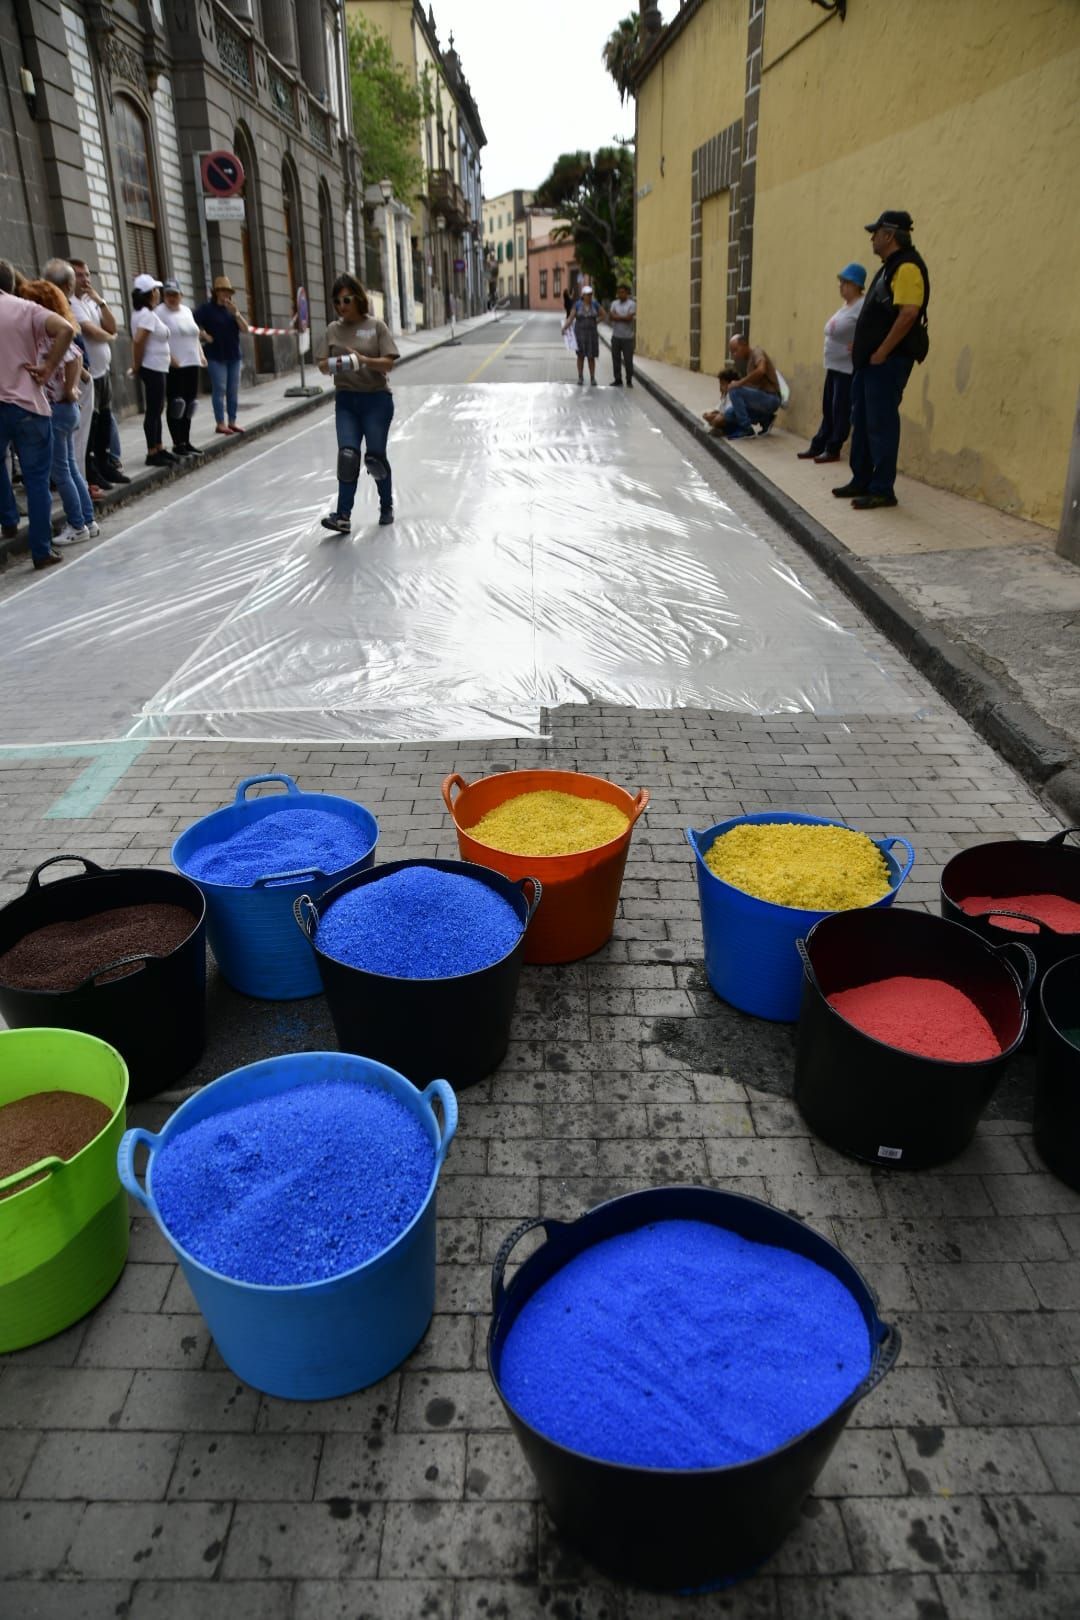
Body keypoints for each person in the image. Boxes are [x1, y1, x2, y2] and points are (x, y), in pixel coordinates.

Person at [833, 209, 930, 510]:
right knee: (861, 421)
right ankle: (861, 479)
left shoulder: (908, 267)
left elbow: (909, 313)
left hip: (887, 363)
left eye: (876, 232)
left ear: (889, 235)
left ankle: (882, 488)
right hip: (870, 363)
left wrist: (882, 352)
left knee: (881, 424)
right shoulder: (890, 267)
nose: (872, 237)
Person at [0, 261, 75, 569]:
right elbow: (66, 329)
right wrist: (47, 368)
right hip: (28, 404)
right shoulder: (25, 308)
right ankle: (41, 550)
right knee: (36, 481)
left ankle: (7, 518)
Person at [316, 272, 399, 534]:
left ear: (358, 299)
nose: (342, 306)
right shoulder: (332, 329)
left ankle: (386, 505)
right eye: (337, 302)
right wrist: (335, 364)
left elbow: (389, 362)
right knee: (348, 456)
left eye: (347, 300)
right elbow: (320, 364)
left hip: (376, 399)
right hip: (347, 401)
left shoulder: (376, 327)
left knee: (374, 458)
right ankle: (343, 516)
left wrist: (363, 360)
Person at [21, 277, 97, 547]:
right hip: (65, 408)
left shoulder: (47, 337)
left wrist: (68, 388)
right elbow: (76, 356)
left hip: (57, 408)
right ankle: (87, 519)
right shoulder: (54, 333)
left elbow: (75, 358)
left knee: (62, 472)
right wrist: (71, 388)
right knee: (71, 468)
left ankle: (78, 524)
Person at [69, 257, 130, 491]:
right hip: (88, 372)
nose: (84, 279)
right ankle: (91, 470)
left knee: (105, 419)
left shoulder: (91, 301)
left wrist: (101, 302)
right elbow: (93, 332)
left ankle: (105, 464)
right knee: (90, 425)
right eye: (79, 275)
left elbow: (112, 326)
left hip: (103, 370)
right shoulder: (71, 303)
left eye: (86, 274)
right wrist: (110, 337)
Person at [796, 263, 866, 465]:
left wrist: (861, 344)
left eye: (845, 283)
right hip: (834, 366)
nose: (841, 287)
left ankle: (833, 447)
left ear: (855, 285)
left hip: (847, 368)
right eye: (841, 283)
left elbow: (869, 329)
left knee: (840, 410)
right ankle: (819, 444)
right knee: (829, 407)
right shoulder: (847, 306)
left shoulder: (862, 305)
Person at [130, 273, 175, 467]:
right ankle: (152, 451)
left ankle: (159, 446)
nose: (158, 293)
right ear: (150, 294)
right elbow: (139, 341)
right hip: (152, 367)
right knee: (154, 410)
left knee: (157, 408)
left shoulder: (146, 313)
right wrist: (137, 365)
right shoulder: (147, 315)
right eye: (156, 290)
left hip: (157, 366)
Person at [194, 275, 249, 435]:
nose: (226, 294)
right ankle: (220, 423)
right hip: (215, 355)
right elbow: (190, 323)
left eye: (228, 291)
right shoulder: (206, 309)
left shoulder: (232, 310)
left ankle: (232, 421)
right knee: (219, 389)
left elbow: (245, 329)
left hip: (233, 355)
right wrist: (203, 334)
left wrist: (237, 314)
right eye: (223, 291)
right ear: (216, 292)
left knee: (233, 390)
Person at [158, 279, 206, 456]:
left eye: (175, 294)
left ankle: (186, 441)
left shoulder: (186, 311)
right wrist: (169, 357)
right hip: (175, 365)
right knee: (177, 404)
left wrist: (201, 355)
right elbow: (158, 339)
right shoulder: (160, 313)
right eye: (168, 295)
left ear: (181, 295)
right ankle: (177, 443)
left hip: (192, 362)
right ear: (164, 296)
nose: (172, 298)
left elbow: (194, 336)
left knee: (190, 404)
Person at [725, 334, 781, 437]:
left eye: (735, 350)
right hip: (760, 400)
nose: (734, 355)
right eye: (732, 352)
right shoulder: (748, 363)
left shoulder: (757, 352)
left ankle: (746, 429)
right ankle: (766, 419)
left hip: (771, 398)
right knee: (728, 414)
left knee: (735, 390)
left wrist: (739, 383)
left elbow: (761, 370)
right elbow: (750, 389)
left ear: (744, 344)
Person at [563, 284, 601, 386]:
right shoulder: (577, 305)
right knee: (580, 356)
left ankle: (592, 378)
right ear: (583, 295)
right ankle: (580, 377)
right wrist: (565, 327)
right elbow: (571, 318)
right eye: (587, 294)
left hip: (592, 334)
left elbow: (603, 314)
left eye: (590, 294)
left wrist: (596, 322)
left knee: (591, 357)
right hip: (580, 334)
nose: (589, 296)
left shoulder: (595, 304)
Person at [606, 282, 637, 387]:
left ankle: (629, 380)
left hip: (628, 338)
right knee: (616, 360)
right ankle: (617, 379)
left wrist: (617, 316)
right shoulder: (614, 303)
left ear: (627, 293)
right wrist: (621, 317)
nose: (620, 294)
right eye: (619, 292)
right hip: (616, 336)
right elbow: (610, 317)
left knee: (628, 360)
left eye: (623, 292)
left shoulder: (632, 304)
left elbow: (629, 319)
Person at [703, 368, 740, 434]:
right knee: (706, 415)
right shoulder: (724, 395)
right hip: (724, 416)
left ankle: (723, 430)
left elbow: (727, 413)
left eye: (723, 384)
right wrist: (710, 414)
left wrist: (712, 416)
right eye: (720, 384)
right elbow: (718, 409)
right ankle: (717, 427)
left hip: (733, 419)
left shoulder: (732, 394)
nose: (720, 387)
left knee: (717, 420)